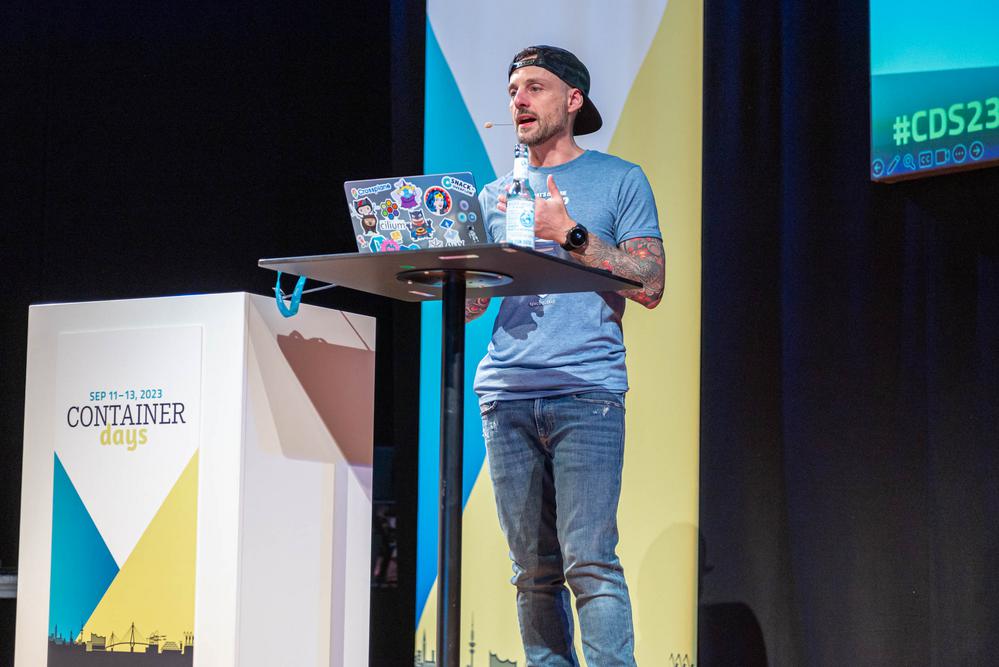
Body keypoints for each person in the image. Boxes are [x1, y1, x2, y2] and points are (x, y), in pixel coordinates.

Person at [465, 45, 665, 667]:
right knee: (531, 571)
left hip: (586, 390)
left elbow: (650, 284)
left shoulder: (620, 179)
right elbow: (471, 306)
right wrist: (451, 261)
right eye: (512, 90)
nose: (518, 100)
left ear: (573, 100)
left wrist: (569, 235)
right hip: (506, 394)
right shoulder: (494, 195)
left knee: (590, 563)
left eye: (534, 87)